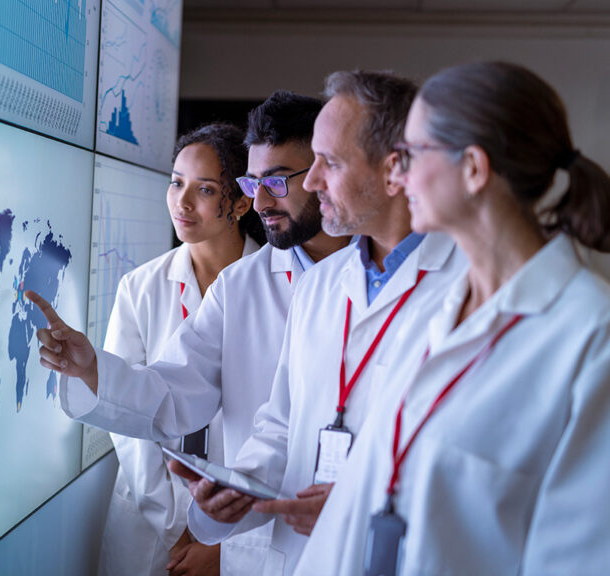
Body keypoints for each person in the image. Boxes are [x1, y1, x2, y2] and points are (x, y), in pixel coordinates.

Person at [294, 61, 610, 576]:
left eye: (411, 155)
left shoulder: (590, 337)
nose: (396, 175)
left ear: (473, 170)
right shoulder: (441, 311)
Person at [28, 91, 350, 574]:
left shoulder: (379, 278)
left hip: (350, 530)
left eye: (278, 182)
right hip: (255, 538)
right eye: (253, 182)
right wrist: (94, 369)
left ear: (326, 172)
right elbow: (175, 390)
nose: (261, 200)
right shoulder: (240, 288)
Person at [173, 70, 469, 576]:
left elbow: (474, 461)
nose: (310, 182)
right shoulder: (319, 285)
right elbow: (282, 422)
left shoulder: (471, 286)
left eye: (328, 163)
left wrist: (359, 503)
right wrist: (239, 484)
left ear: (395, 167)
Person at [98, 123, 262, 576]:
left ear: (242, 202)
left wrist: (213, 534)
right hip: (148, 518)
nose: (182, 202)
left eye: (205, 189)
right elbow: (126, 419)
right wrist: (178, 525)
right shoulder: (140, 288)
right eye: (176, 183)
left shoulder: (276, 287)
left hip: (236, 527)